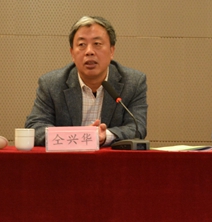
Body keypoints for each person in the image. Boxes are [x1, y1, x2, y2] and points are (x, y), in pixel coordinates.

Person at [25, 16, 148, 147]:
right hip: (67, 159)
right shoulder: (51, 84)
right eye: (82, 45)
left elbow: (137, 128)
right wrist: (81, 136)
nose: (89, 52)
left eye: (97, 44)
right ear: (72, 53)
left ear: (111, 51)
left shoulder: (133, 82)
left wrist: (105, 136)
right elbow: (35, 127)